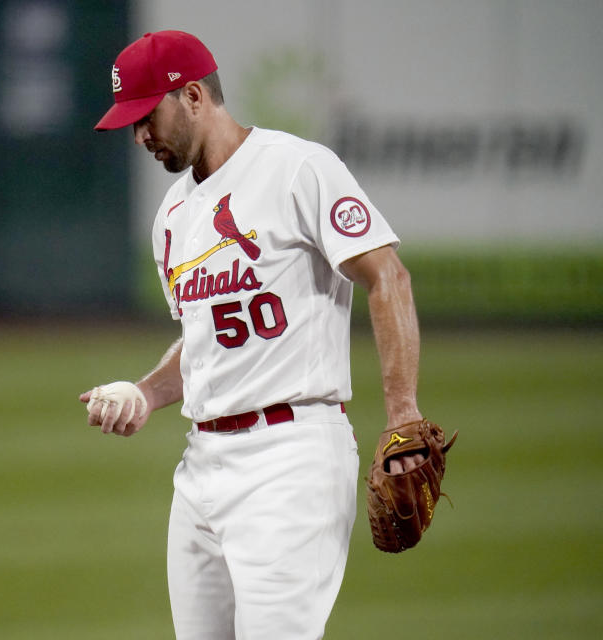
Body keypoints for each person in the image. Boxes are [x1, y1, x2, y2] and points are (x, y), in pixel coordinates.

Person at [80, 30, 426, 640]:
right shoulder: (171, 217)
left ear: (191, 96)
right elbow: (205, 340)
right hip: (201, 469)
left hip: (291, 461)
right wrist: (144, 392)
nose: (139, 136)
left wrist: (402, 414)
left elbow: (388, 277)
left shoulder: (297, 168)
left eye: (145, 116)